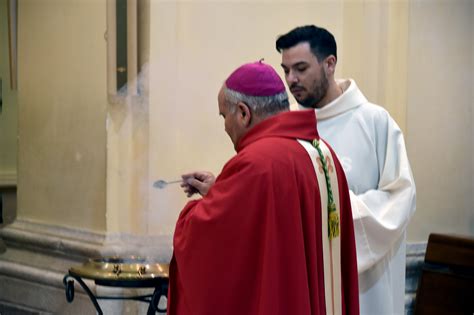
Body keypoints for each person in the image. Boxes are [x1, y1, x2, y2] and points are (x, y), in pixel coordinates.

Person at [167, 61, 359, 315]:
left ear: (244, 113)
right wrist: (220, 191)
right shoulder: (323, 153)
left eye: (224, 115)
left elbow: (206, 239)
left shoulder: (257, 163)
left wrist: (190, 214)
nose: (224, 126)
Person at [275, 25, 416, 315]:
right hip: (305, 280)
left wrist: (328, 209)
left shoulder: (375, 122)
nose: (291, 80)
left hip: (364, 285)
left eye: (301, 68)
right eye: (286, 70)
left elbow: (399, 198)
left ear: (330, 64)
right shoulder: (286, 126)